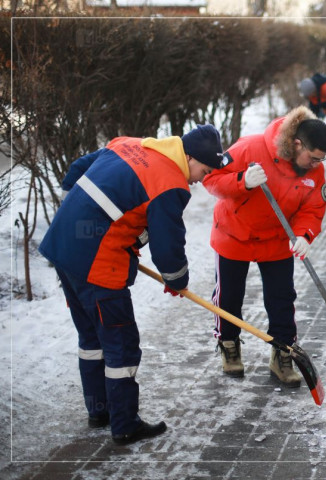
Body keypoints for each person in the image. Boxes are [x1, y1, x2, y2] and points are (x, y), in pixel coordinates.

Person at [38, 124, 225, 445]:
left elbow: (78, 168)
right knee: (120, 342)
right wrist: (176, 279)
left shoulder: (128, 143)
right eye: (203, 170)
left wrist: (77, 211)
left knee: (92, 336)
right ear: (189, 157)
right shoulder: (171, 184)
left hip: (62, 245)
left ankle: (100, 410)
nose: (200, 179)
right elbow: (168, 244)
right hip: (98, 262)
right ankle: (125, 424)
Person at [202, 107, 326, 386]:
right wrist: (242, 182)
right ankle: (229, 345)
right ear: (297, 144)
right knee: (229, 297)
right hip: (234, 234)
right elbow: (211, 180)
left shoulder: (315, 169)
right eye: (313, 158)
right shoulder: (250, 147)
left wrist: (304, 235)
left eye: (321, 160)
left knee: (282, 298)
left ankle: (282, 354)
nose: (315, 165)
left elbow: (313, 207)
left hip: (276, 238)